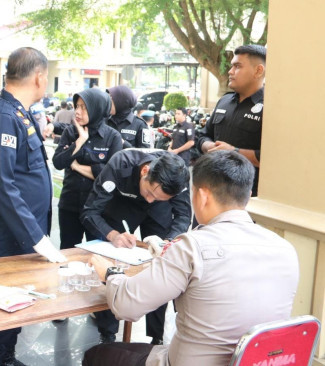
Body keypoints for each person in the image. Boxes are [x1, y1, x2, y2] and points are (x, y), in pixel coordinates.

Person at [83, 151, 299, 366]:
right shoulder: (287, 250)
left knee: (96, 355)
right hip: (259, 361)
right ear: (248, 194)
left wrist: (111, 274)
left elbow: (126, 306)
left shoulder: (191, 248)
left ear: (202, 196)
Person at [0, 47, 67, 366]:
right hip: (8, 237)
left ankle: (6, 360)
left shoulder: (19, 112)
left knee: (15, 310)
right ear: (39, 77)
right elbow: (3, 184)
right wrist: (36, 237)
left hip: (21, 236)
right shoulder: (3, 116)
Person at [81, 149, 191, 345]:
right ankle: (108, 332)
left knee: (162, 263)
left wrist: (169, 241)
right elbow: (90, 211)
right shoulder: (120, 164)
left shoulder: (177, 179)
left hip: (160, 212)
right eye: (149, 192)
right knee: (112, 263)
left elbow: (183, 216)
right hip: (122, 205)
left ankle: (156, 337)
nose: (149, 199)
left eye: (156, 196)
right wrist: (112, 234)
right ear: (144, 171)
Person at [52, 88, 122, 248]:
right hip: (70, 204)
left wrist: (76, 166)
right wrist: (80, 141)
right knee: (68, 252)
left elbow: (110, 177)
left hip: (98, 210)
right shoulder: (70, 132)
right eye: (76, 106)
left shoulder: (112, 137)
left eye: (84, 107)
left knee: (97, 252)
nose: (77, 111)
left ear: (96, 108)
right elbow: (58, 162)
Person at [196, 44, 266, 196]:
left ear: (258, 70)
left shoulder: (271, 107)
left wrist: (233, 152)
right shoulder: (225, 101)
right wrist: (209, 146)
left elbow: (273, 158)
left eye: (237, 66)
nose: (230, 71)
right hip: (212, 189)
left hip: (245, 197)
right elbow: (202, 136)